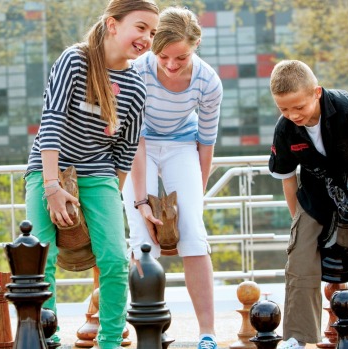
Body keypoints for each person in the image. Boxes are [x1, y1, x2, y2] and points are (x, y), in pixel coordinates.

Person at [24, 1, 159, 348]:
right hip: (48, 169)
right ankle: (46, 337)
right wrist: (52, 187)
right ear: (112, 25)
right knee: (41, 258)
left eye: (153, 32)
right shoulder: (74, 60)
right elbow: (51, 122)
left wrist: (109, 200)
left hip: (98, 175)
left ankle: (110, 340)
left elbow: (125, 151)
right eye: (141, 27)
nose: (147, 38)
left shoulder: (136, 87)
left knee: (114, 258)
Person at [267, 60, 348, 349]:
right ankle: (298, 337)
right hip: (315, 197)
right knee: (299, 259)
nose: (292, 114)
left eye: (299, 107)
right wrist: (298, 220)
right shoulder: (285, 129)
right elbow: (287, 179)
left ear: (316, 93)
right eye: (283, 109)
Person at [122, 6, 223, 349]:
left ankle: (207, 332)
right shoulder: (136, 70)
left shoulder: (208, 82)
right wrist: (140, 200)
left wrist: (198, 194)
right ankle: (150, 329)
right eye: (163, 55)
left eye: (180, 57)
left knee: (193, 231)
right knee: (142, 234)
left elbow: (205, 144)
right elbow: (134, 138)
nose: (170, 64)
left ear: (196, 45)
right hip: (141, 146)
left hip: (183, 145)